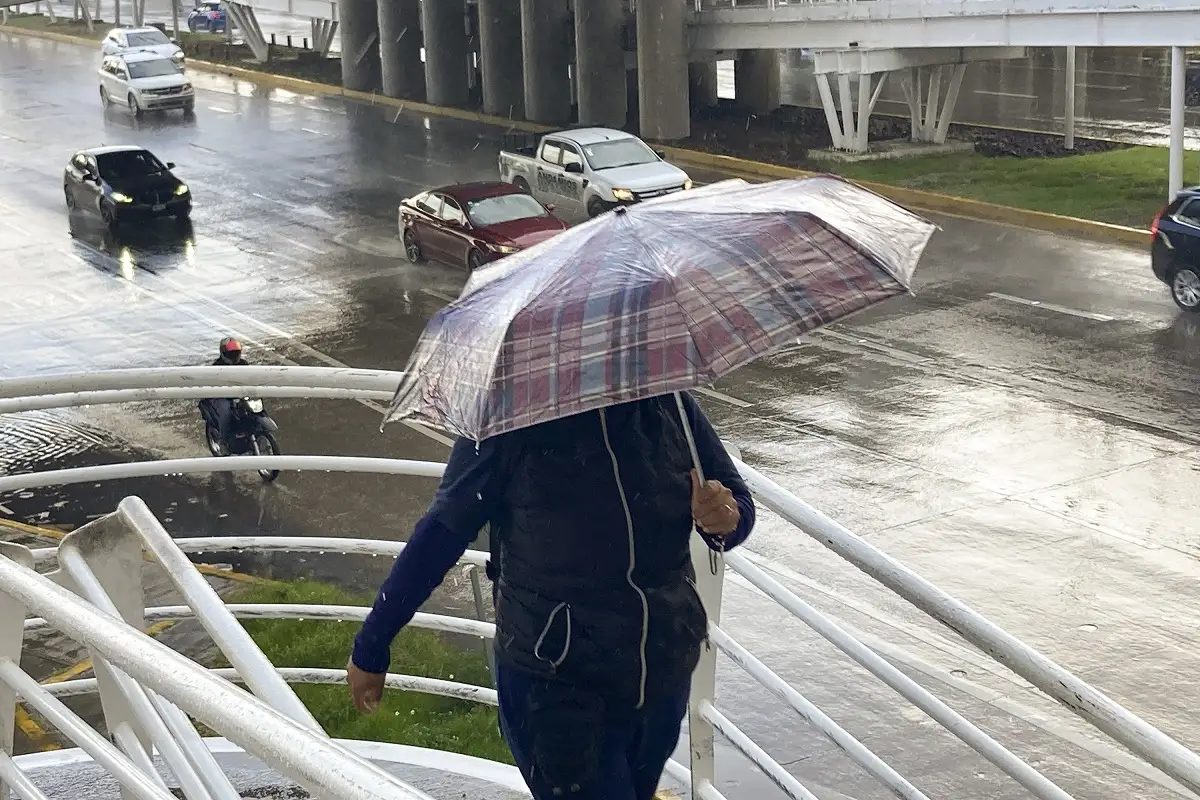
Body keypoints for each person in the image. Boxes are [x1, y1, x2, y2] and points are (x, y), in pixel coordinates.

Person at [347, 391, 755, 800]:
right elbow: (443, 531)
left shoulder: (671, 404)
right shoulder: (507, 416)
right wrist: (373, 644)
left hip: (664, 667)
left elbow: (735, 501)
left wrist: (724, 516)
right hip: (558, 689)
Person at [205, 337, 248, 450]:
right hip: (223, 397)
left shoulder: (243, 364)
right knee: (226, 414)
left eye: (236, 353)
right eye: (232, 353)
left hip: (240, 395)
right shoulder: (217, 367)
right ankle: (223, 441)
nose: (235, 355)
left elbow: (252, 377)